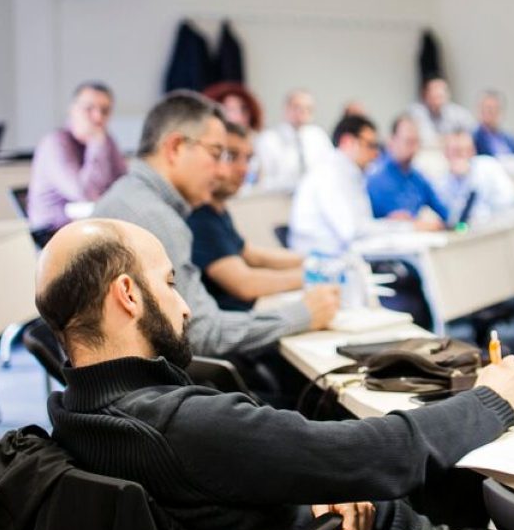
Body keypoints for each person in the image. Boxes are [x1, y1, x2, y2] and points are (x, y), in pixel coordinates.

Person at [35, 218, 514, 530]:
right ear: (128, 294)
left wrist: (319, 484)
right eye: (170, 284)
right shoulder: (179, 422)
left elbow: (258, 472)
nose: (184, 307)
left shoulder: (76, 413)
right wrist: (491, 399)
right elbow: (379, 454)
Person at [93, 90, 337, 362]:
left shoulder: (129, 196)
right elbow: (201, 333)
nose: (222, 171)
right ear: (175, 147)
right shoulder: (157, 219)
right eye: (217, 154)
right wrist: (303, 314)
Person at [188, 122, 305, 311]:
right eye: (230, 156)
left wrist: (310, 261)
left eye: (248, 159)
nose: (244, 169)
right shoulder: (198, 218)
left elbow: (250, 254)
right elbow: (245, 284)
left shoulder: (218, 211)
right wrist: (312, 276)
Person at [27, 82, 126, 243]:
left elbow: (124, 182)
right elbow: (85, 193)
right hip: (53, 234)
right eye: (89, 109)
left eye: (105, 110)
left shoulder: (106, 141)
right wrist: (97, 145)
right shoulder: (55, 143)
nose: (98, 117)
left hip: (88, 228)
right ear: (72, 109)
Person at [289, 113, 401, 254]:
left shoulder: (350, 175)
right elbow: (352, 232)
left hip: (343, 255)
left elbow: (362, 225)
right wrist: (401, 227)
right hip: (324, 260)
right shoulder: (328, 176)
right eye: (371, 145)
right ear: (347, 142)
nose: (376, 154)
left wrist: (397, 226)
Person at [366, 114, 448, 225]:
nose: (413, 148)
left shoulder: (419, 179)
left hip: (414, 234)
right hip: (385, 234)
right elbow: (362, 223)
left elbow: (446, 214)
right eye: (408, 141)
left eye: (416, 142)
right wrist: (388, 222)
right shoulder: (374, 179)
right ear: (391, 141)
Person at [253, 89, 333, 192]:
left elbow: (330, 168)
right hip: (279, 197)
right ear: (286, 109)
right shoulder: (268, 139)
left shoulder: (319, 136)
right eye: (297, 107)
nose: (302, 112)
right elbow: (263, 180)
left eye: (308, 108)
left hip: (315, 195)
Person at [436, 131, 514, 227]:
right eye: (456, 151)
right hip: (464, 231)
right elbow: (450, 218)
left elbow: (509, 199)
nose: (462, 154)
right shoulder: (441, 183)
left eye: (467, 150)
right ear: (446, 153)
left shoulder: (489, 165)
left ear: (473, 151)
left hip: (496, 225)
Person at [408, 77, 476, 147]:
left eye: (440, 96)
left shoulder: (457, 112)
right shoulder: (417, 111)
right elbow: (426, 138)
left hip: (452, 151)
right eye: (435, 96)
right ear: (426, 96)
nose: (438, 101)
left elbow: (473, 132)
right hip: (427, 151)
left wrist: (455, 139)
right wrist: (452, 138)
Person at [473, 90, 514, 161]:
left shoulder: (510, 138)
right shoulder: (473, 138)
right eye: (487, 108)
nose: (490, 112)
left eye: (494, 108)